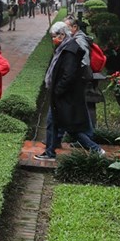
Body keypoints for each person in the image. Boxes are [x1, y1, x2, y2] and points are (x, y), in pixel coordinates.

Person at [34, 22, 105, 161]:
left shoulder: (70, 51)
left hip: (65, 96)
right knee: (53, 124)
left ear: (62, 35)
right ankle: (50, 152)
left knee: (71, 129)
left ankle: (96, 149)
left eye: (54, 36)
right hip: (62, 95)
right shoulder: (64, 48)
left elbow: (68, 75)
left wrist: (58, 91)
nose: (53, 39)